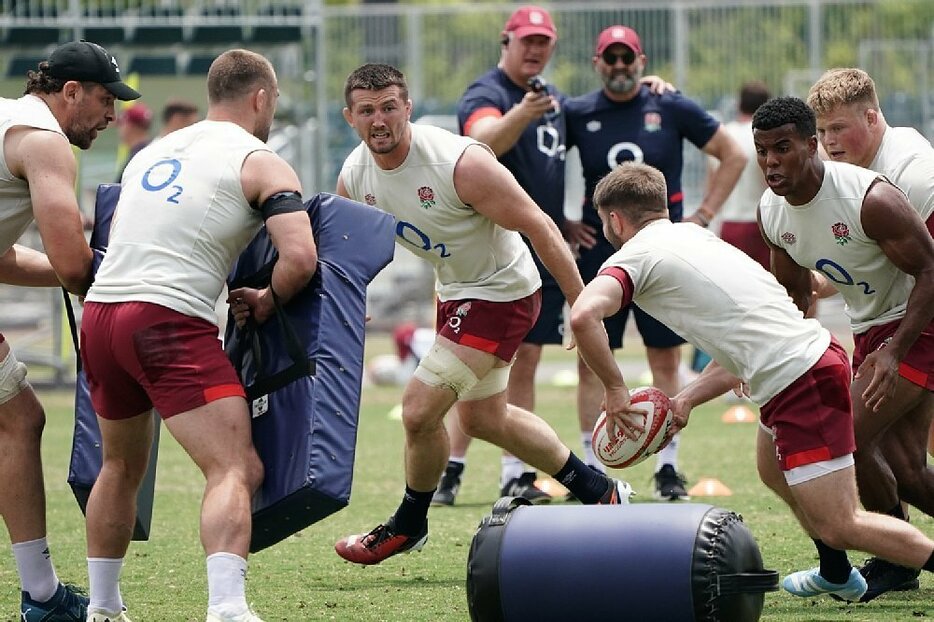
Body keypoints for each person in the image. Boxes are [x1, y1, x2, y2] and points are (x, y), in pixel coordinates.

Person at [570, 160, 934, 604]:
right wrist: (685, 400)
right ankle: (836, 572)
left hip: (801, 379)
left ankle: (869, 558)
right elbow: (741, 346)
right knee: (771, 468)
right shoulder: (695, 238)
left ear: (614, 219)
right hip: (803, 364)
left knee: (843, 522)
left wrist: (614, 389)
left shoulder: (635, 255)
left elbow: (584, 314)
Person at [333, 63, 631, 567]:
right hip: (456, 292)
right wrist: (347, 305)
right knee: (484, 418)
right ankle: (600, 489)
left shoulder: (459, 163)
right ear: (350, 118)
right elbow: (348, 256)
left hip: (503, 293)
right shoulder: (352, 176)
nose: (378, 120)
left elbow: (540, 224)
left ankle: (409, 524)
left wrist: (584, 306)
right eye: (366, 111)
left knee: (417, 410)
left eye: (389, 107)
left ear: (408, 108)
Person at [80, 49, 318, 622]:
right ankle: (228, 608)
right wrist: (268, 299)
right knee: (234, 465)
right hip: (165, 318)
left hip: (101, 315)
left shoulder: (149, 154)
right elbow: (301, 258)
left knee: (120, 468)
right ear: (261, 98)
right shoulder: (261, 158)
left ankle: (104, 609)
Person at [439, 5, 676, 506]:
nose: (535, 49)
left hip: (542, 248)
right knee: (506, 365)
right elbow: (479, 141)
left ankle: (475, 473)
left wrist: (647, 84)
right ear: (506, 42)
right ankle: (504, 472)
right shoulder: (491, 94)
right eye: (526, 41)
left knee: (519, 362)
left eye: (543, 42)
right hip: (496, 254)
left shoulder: (551, 97)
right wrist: (523, 112)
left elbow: (586, 124)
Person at [753, 95, 934, 601]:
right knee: (908, 471)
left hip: (918, 324)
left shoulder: (867, 197)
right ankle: (897, 561)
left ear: (812, 146)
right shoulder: (772, 213)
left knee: (845, 439)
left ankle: (894, 560)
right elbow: (793, 296)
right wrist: (785, 360)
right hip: (871, 329)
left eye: (783, 148)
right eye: (762, 151)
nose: (771, 162)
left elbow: (931, 270)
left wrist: (895, 351)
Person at [564, 24, 746, 500]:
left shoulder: (669, 104)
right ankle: (590, 467)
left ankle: (668, 469)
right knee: (590, 362)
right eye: (611, 58)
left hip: (665, 257)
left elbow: (731, 153)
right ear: (596, 63)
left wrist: (705, 215)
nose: (620, 66)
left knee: (664, 358)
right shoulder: (577, 111)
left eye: (629, 58)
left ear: (641, 61)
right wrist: (559, 221)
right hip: (601, 253)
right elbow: (537, 160)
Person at [0, 39, 139, 621]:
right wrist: (116, 280)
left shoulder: (10, 117)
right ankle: (41, 597)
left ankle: (41, 594)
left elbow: (4, 258)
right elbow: (74, 262)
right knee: (18, 418)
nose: (113, 115)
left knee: (19, 417)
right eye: (105, 100)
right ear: (71, 92)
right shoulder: (47, 142)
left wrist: (85, 276)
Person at [709, 80, 772, 270]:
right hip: (761, 223)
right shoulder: (766, 136)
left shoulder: (723, 136)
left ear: (738, 104)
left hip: (728, 223)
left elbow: (711, 186)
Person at [114, 102, 152, 181]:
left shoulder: (137, 158)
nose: (119, 130)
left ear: (129, 126)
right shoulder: (152, 150)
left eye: (121, 124)